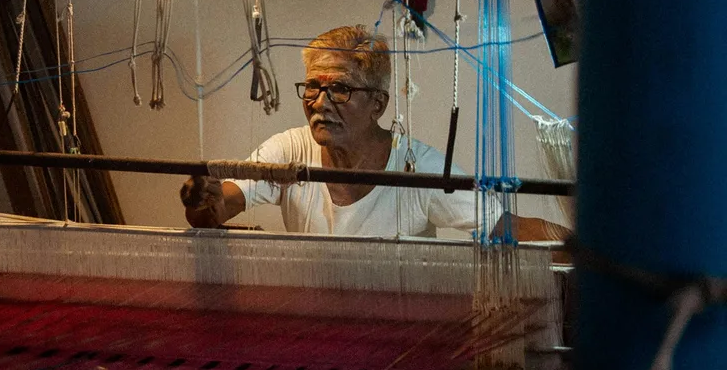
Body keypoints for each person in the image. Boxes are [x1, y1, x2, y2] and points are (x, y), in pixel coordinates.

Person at [180, 25, 567, 240]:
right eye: (313, 86)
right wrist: (204, 199)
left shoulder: (418, 168)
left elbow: (502, 227)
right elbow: (219, 207)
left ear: (377, 105)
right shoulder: (290, 150)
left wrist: (585, 249)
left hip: (397, 345)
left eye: (340, 89)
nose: (320, 102)